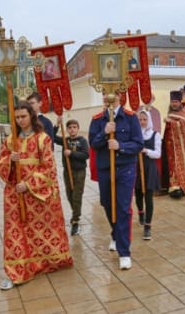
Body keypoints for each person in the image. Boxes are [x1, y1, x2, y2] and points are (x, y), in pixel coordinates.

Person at [0, 102, 73, 290]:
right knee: (16, 231)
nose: (20, 120)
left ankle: (45, 262)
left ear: (31, 116)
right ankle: (17, 271)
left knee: (40, 231)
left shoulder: (43, 139)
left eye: (23, 116)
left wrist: (29, 184)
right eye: (17, 117)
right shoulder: (9, 141)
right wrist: (10, 161)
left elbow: (49, 168)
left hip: (35, 195)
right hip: (15, 195)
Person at [88, 90, 143, 270]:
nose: (107, 97)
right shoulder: (98, 119)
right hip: (106, 169)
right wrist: (104, 133)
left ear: (119, 96)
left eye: (111, 93)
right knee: (106, 203)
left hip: (125, 169)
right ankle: (115, 233)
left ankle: (124, 252)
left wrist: (121, 146)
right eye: (104, 93)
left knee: (122, 208)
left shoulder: (130, 117)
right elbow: (93, 144)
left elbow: (138, 144)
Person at [53, 117, 89, 236]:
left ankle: (75, 221)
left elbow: (86, 154)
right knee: (69, 194)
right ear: (67, 129)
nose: (72, 130)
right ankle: (76, 212)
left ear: (78, 128)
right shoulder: (65, 140)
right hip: (67, 172)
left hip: (79, 172)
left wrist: (71, 153)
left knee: (77, 195)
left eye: (74, 127)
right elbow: (52, 137)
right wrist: (57, 125)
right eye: (70, 128)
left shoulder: (82, 141)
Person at [135, 109, 161, 240]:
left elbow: (158, 153)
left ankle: (148, 226)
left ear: (149, 120)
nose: (142, 122)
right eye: (140, 119)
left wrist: (145, 150)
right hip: (136, 167)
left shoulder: (155, 134)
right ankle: (141, 213)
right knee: (138, 193)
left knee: (149, 197)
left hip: (149, 167)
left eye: (144, 119)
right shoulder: (135, 134)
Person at [162, 90, 185, 198]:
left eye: (176, 102)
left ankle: (180, 186)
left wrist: (171, 122)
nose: (174, 104)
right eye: (172, 102)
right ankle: (168, 186)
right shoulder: (166, 112)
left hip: (180, 148)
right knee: (168, 165)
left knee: (176, 166)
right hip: (167, 145)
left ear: (180, 102)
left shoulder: (184, 113)